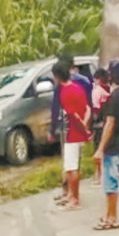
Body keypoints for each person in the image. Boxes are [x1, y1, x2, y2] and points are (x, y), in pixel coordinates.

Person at [92, 60, 119, 230]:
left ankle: (112, 218)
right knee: (111, 180)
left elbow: (109, 123)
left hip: (112, 145)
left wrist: (100, 148)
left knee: (110, 183)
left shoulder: (113, 98)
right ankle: (109, 214)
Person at [49, 55, 92, 202]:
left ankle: (73, 197)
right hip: (78, 131)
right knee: (74, 164)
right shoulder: (80, 85)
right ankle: (70, 195)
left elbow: (72, 115)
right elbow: (87, 107)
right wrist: (86, 126)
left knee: (71, 166)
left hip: (71, 133)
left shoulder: (64, 92)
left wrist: (83, 129)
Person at [91, 67, 110, 186]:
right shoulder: (109, 90)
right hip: (108, 122)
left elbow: (96, 108)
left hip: (99, 123)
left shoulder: (97, 91)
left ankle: (99, 176)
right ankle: (105, 174)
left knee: (98, 148)